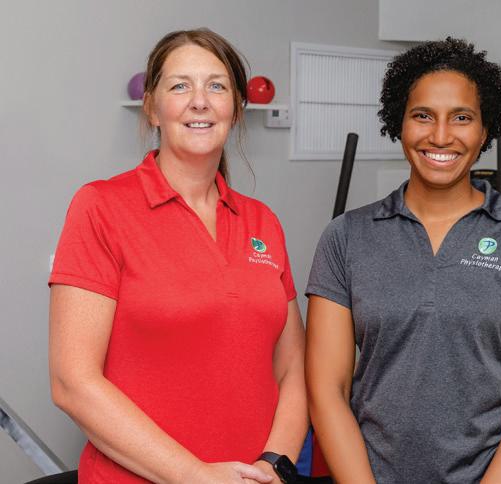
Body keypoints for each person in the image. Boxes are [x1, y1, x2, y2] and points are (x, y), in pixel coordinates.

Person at [48, 29, 307, 484]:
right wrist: (195, 475)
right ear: (152, 107)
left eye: (216, 86)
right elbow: (73, 382)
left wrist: (275, 466)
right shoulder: (101, 207)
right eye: (180, 85)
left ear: (236, 108)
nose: (199, 101)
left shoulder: (263, 222)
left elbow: (293, 369)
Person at [305, 37, 501, 483]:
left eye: (461, 118)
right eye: (423, 115)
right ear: (399, 123)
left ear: (485, 130)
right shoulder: (346, 237)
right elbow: (327, 390)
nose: (441, 136)